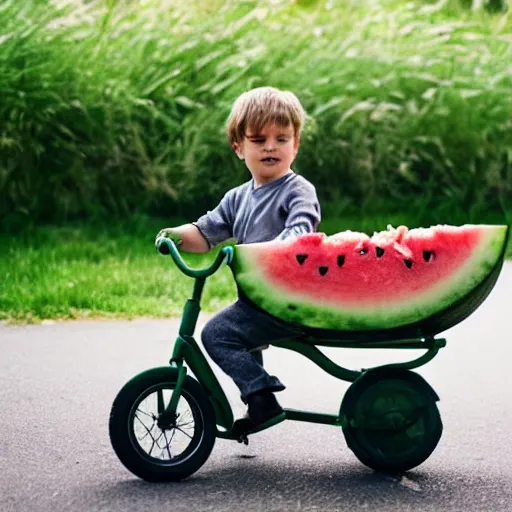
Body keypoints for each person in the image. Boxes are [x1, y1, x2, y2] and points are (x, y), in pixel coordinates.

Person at [156, 86, 321, 431]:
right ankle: (258, 398)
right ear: (239, 147)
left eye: (282, 138)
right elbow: (205, 234)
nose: (271, 147)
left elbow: (301, 231)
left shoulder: (298, 190)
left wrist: (267, 252)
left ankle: (261, 397)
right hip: (258, 298)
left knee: (217, 334)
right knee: (237, 329)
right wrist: (174, 235)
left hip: (288, 298)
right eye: (259, 139)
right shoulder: (237, 198)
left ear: (296, 145)